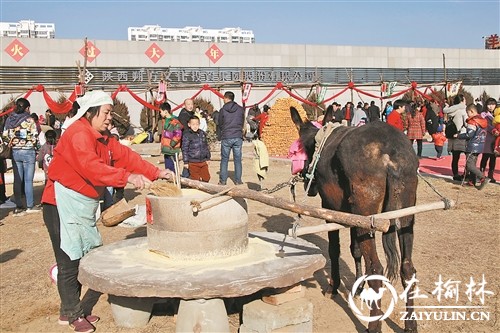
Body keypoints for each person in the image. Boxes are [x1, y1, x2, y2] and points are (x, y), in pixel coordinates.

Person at [40, 90, 172, 333]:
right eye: (107, 113)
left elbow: (127, 156)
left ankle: (67, 309)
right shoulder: (78, 134)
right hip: (60, 205)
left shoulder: (103, 137)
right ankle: (72, 314)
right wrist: (127, 177)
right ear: (90, 113)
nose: (110, 118)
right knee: (69, 260)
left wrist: (156, 173)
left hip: (81, 207)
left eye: (111, 113)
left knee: (80, 256)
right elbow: (92, 167)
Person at [2, 97, 40, 216]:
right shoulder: (29, 120)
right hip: (28, 152)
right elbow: (35, 137)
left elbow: (4, 136)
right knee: (28, 180)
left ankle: (18, 206)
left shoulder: (9, 119)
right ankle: (30, 205)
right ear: (27, 108)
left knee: (17, 180)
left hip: (15, 152)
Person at [457, 104, 489, 189]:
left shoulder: (473, 121)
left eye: (468, 113)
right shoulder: (483, 120)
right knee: (473, 164)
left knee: (469, 165)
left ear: (471, 111)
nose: (467, 115)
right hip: (480, 145)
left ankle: (482, 178)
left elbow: (469, 134)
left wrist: (458, 136)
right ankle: (472, 181)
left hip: (472, 145)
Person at [218, 91, 245, 185]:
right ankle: (238, 180)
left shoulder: (222, 110)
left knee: (224, 159)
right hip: (237, 136)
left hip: (226, 136)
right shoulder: (240, 109)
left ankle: (223, 180)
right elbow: (242, 121)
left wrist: (223, 131)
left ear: (226, 98)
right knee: (237, 160)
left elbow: (220, 123)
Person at [443, 94, 468, 181]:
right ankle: (466, 174)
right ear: (462, 101)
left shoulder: (450, 111)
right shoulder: (463, 111)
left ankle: (456, 174)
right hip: (461, 135)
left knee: (455, 158)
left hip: (452, 136)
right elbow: (466, 124)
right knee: (468, 157)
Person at [182, 116, 211, 182]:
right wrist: (186, 162)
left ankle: (204, 190)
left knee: (207, 178)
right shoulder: (187, 135)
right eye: (193, 124)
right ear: (189, 125)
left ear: (199, 124)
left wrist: (208, 157)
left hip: (203, 161)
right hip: (193, 162)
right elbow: (185, 149)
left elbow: (206, 146)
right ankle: (195, 190)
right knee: (195, 179)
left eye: (197, 124)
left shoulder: (202, 133)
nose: (195, 126)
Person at [159, 102, 183, 173]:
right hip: (166, 150)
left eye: (161, 111)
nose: (160, 113)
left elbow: (178, 135)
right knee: (168, 168)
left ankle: (175, 181)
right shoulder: (164, 121)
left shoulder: (175, 122)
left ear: (165, 111)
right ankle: (170, 182)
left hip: (172, 149)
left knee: (174, 167)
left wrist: (172, 144)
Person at [479, 98, 497, 183]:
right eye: (489, 104)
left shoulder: (497, 114)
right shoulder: (483, 114)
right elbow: (485, 125)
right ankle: (481, 175)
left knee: (493, 158)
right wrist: (493, 130)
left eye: (493, 104)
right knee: (485, 157)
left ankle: (491, 175)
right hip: (487, 138)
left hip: (495, 139)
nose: (491, 106)